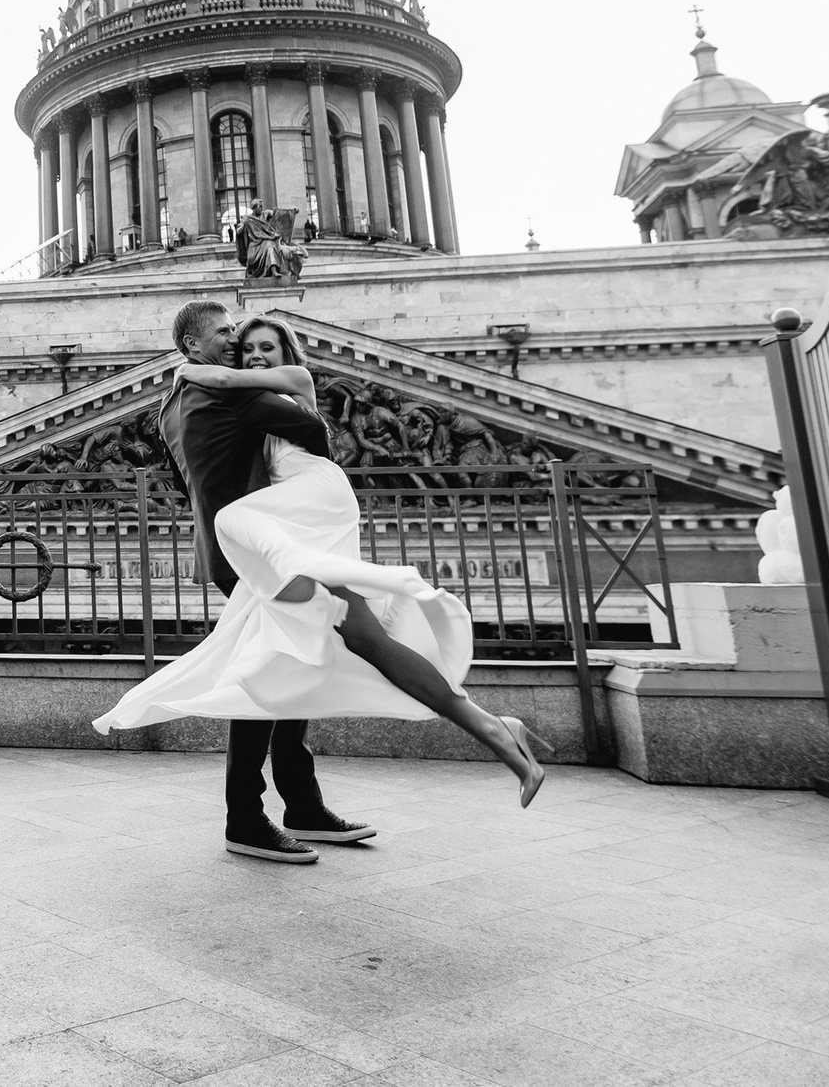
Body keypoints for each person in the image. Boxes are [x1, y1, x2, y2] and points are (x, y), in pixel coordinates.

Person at [97, 311, 550, 861]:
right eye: (229, 338)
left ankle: (300, 804)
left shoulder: (173, 403)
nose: (240, 349)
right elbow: (314, 431)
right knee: (279, 663)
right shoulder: (225, 392)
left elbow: (191, 477)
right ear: (193, 344)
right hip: (268, 543)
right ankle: (249, 816)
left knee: (296, 658)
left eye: (259, 346)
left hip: (259, 540)